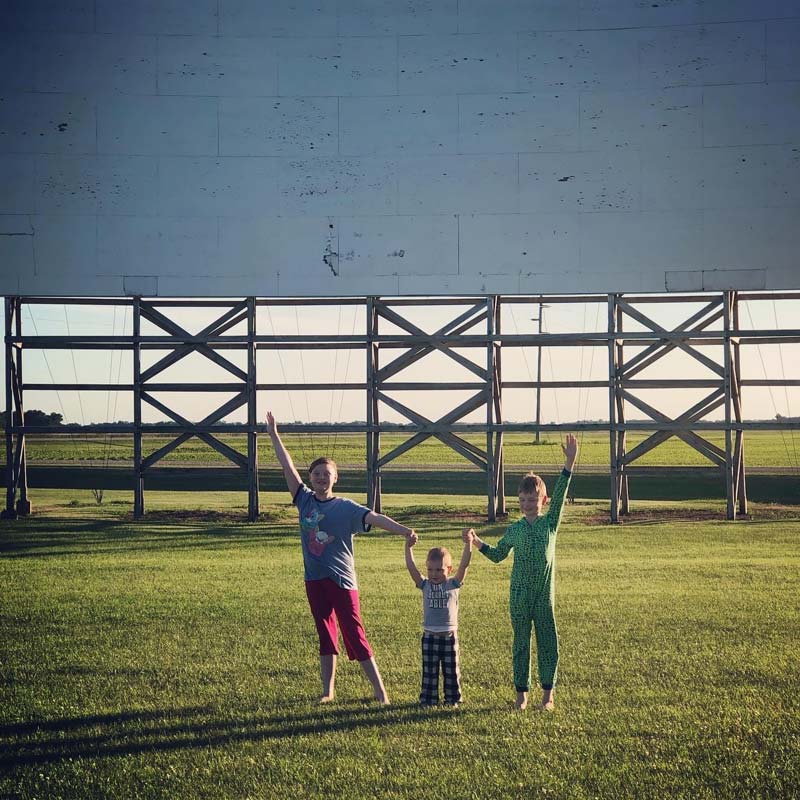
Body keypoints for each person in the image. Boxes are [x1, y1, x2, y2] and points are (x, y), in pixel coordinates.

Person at [266, 411, 415, 706]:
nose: (321, 478)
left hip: (342, 582)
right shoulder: (304, 500)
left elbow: (376, 517)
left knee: (354, 634)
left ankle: (381, 694)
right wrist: (273, 433)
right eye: (317, 474)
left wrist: (403, 531)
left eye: (327, 474)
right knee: (325, 633)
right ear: (311, 478)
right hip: (314, 579)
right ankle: (328, 691)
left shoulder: (345, 507)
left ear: (336, 478)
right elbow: (287, 467)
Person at [466, 434, 578, 712]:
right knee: (520, 645)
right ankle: (521, 695)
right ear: (518, 500)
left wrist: (570, 461)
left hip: (543, 597)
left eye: (533, 499)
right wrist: (478, 543)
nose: (528, 503)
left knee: (547, 642)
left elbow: (563, 491)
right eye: (524, 499)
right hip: (518, 597)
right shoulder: (514, 529)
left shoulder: (550, 524)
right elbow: (498, 555)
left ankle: (548, 695)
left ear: (543, 499)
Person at [405, 531, 472, 706]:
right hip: (429, 637)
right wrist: (408, 547)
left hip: (449, 637)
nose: (434, 574)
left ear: (449, 569)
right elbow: (412, 568)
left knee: (451, 672)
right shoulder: (425, 584)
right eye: (430, 569)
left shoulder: (452, 584)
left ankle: (453, 699)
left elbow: (464, 565)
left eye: (439, 570)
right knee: (430, 671)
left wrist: (469, 543)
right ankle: (428, 700)